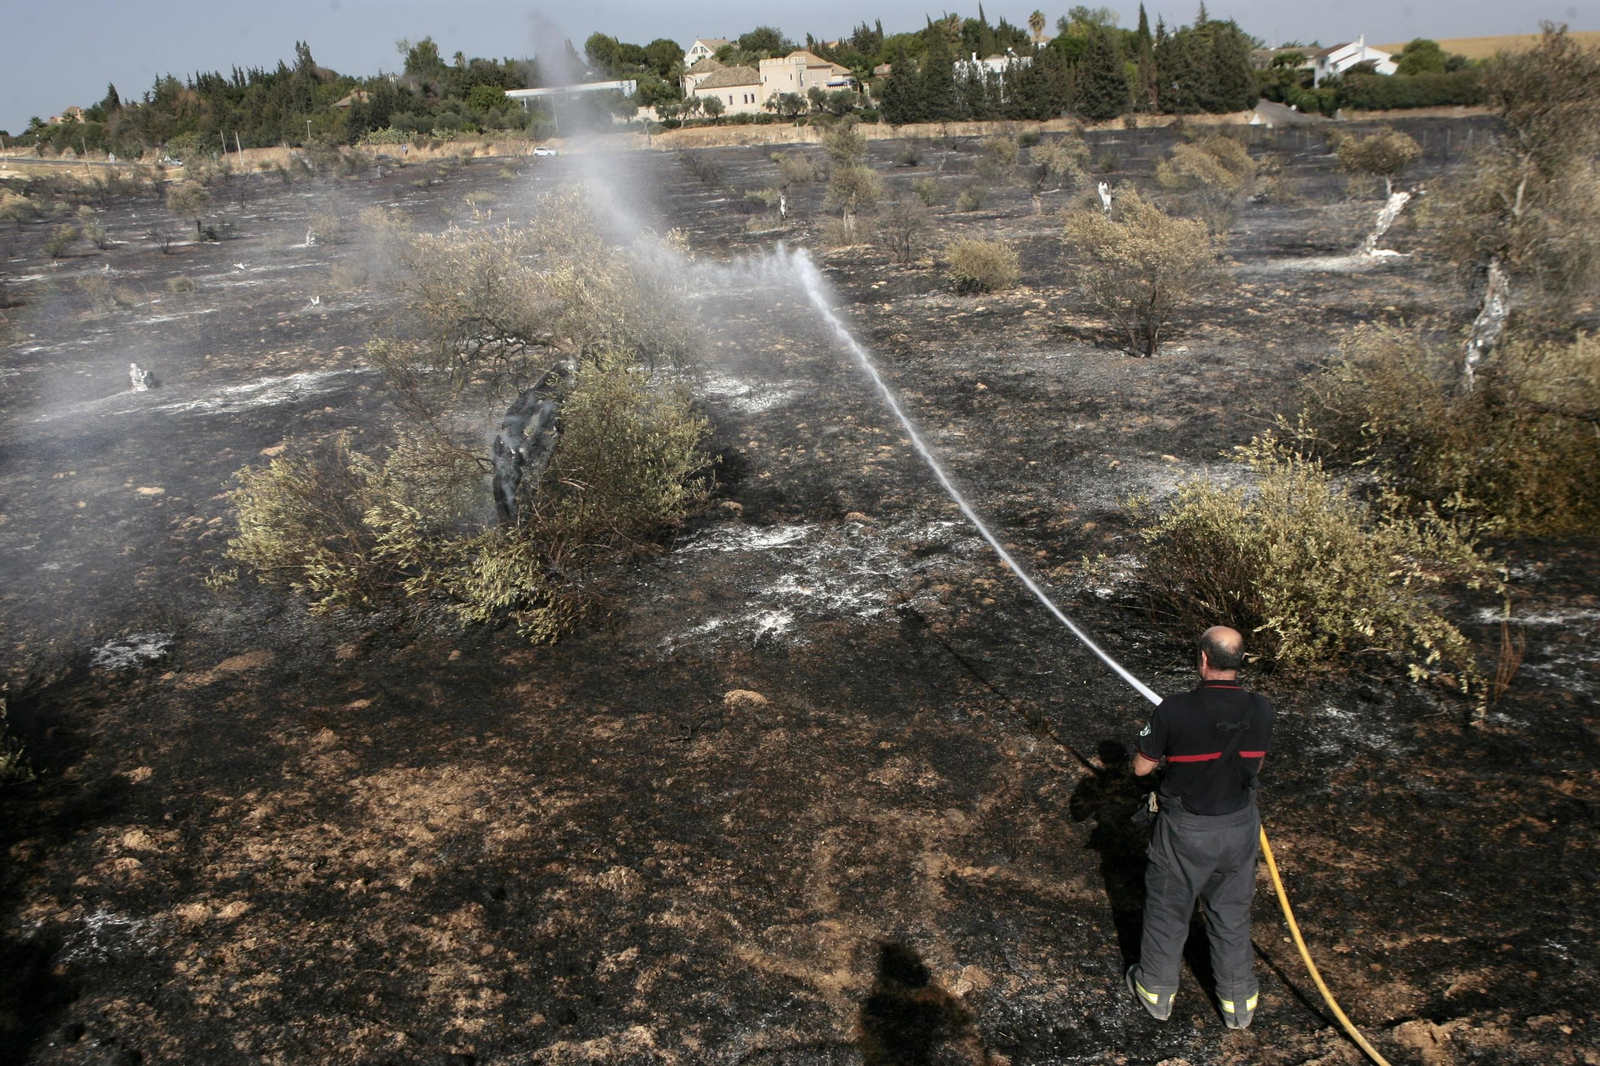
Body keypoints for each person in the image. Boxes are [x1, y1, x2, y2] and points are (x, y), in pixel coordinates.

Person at [1126, 625, 1273, 1029]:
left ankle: (1155, 992)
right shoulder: (1261, 708)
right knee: (1231, 912)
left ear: (1204, 659)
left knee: (1169, 908)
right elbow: (1254, 765)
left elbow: (1141, 768)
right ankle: (1238, 1005)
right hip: (1240, 827)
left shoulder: (1175, 709)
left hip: (1186, 832)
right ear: (1239, 662)